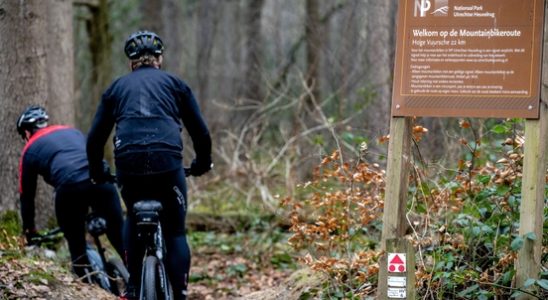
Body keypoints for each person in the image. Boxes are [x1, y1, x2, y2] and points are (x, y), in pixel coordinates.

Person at [86, 30, 212, 300]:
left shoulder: (116, 88)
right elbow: (200, 133)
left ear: (131, 62)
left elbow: (95, 140)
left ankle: (132, 289)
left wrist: (98, 171)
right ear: (160, 58)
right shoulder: (176, 84)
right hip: (168, 161)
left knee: (132, 215)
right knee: (176, 231)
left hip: (128, 162)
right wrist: (201, 163)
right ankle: (179, 293)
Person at [16, 105, 125, 280]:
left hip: (70, 188)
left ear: (27, 132)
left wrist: (30, 231)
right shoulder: (71, 131)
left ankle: (87, 284)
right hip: (100, 180)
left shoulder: (29, 149)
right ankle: (142, 281)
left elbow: (27, 196)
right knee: (120, 235)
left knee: (76, 246)